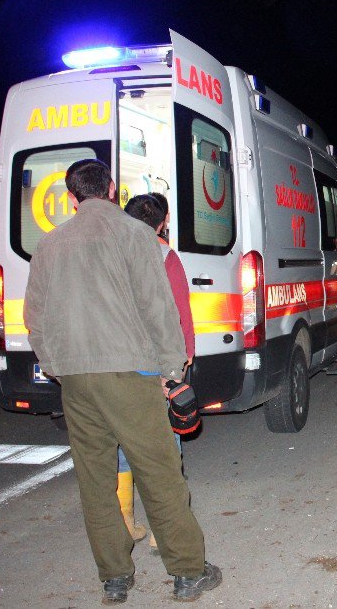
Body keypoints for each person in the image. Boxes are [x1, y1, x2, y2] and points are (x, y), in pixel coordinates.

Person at [24, 159, 220, 604]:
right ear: (112, 189)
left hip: (75, 379)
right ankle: (188, 572)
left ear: (71, 198)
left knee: (95, 478)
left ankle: (114, 578)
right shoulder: (136, 236)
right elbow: (158, 308)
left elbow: (34, 318)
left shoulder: (49, 245)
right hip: (130, 375)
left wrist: (56, 364)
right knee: (158, 471)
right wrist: (172, 372)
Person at [122, 194, 195, 555]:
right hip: (156, 361)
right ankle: (160, 528)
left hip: (116, 362)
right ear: (163, 222)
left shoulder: (110, 252)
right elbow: (180, 312)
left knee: (123, 441)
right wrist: (182, 363)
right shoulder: (165, 256)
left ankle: (124, 521)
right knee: (166, 441)